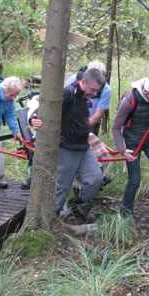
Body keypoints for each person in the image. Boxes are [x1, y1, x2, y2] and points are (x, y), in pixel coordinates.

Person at [30, 68, 106, 215]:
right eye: (92, 89)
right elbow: (45, 109)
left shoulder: (85, 96)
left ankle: (77, 205)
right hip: (67, 148)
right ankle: (51, 217)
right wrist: (33, 119)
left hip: (83, 146)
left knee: (95, 178)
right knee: (62, 187)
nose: (94, 93)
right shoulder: (68, 93)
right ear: (83, 82)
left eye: (97, 90)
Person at [112, 74, 149, 222]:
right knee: (135, 179)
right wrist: (123, 150)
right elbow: (116, 127)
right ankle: (125, 213)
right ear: (148, 91)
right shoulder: (129, 100)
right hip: (132, 142)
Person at [67, 60, 112, 135]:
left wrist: (81, 127)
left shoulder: (106, 90)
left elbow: (97, 116)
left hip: (89, 122)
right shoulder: (73, 80)